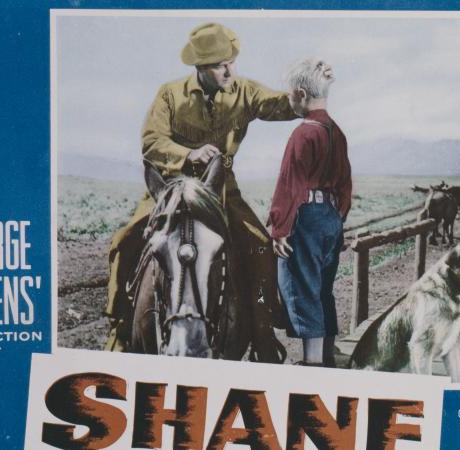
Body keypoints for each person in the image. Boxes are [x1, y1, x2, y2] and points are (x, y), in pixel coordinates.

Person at [105, 23, 322, 362]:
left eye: (231, 62)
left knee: (260, 246)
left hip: (222, 190)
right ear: (201, 67)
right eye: (221, 64)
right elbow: (151, 142)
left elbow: (281, 105)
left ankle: (263, 334)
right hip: (169, 189)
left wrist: (309, 85)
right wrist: (187, 155)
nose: (229, 70)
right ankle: (119, 326)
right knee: (125, 241)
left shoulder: (244, 91)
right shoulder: (169, 95)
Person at [268, 59, 352, 367]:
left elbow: (290, 186)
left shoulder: (303, 134)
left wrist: (279, 229)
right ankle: (327, 357)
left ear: (301, 94)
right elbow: (345, 183)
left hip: (306, 218)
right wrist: (337, 219)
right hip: (330, 218)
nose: (289, 100)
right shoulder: (336, 132)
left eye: (290, 95)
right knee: (323, 291)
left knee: (303, 289)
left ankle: (312, 365)